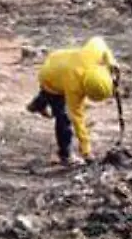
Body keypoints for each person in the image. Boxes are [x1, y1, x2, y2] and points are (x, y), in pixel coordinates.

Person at [27, 37, 116, 165]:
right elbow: (77, 119)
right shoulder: (73, 88)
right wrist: (86, 151)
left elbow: (99, 41)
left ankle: (37, 104)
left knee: (49, 96)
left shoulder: (92, 55)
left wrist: (112, 63)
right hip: (48, 77)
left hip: (58, 59)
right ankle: (65, 154)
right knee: (63, 117)